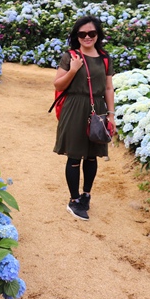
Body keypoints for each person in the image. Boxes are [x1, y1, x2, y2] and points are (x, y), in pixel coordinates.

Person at [53, 15, 115, 221]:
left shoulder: (105, 58)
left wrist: (111, 114)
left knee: (92, 154)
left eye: (91, 33)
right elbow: (58, 85)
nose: (87, 37)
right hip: (74, 107)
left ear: (98, 34)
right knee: (74, 155)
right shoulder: (70, 56)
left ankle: (86, 195)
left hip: (97, 108)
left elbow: (108, 87)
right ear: (76, 36)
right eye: (82, 34)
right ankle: (73, 200)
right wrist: (73, 69)